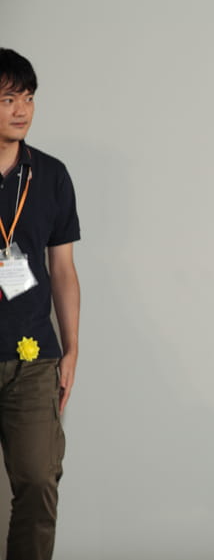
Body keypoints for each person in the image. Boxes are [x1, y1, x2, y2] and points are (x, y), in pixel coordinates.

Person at [0, 48, 80, 560]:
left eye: (28, 98)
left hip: (33, 357)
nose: (22, 110)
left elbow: (64, 270)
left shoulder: (50, 175)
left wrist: (72, 349)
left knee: (38, 481)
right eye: (8, 99)